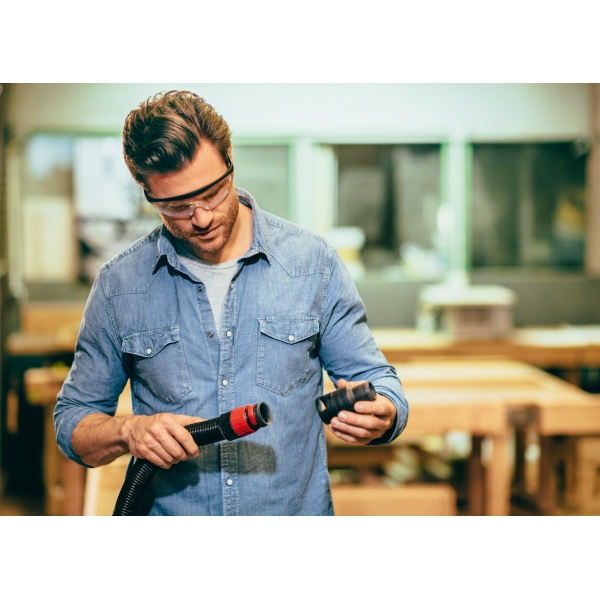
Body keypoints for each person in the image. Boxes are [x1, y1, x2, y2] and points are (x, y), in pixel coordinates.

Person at [54, 90, 409, 515]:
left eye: (212, 193)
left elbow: (378, 380)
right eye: (176, 206)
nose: (201, 218)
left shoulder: (313, 264)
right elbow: (73, 421)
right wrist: (129, 431)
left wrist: (384, 412)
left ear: (230, 162)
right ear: (147, 193)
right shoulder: (120, 286)